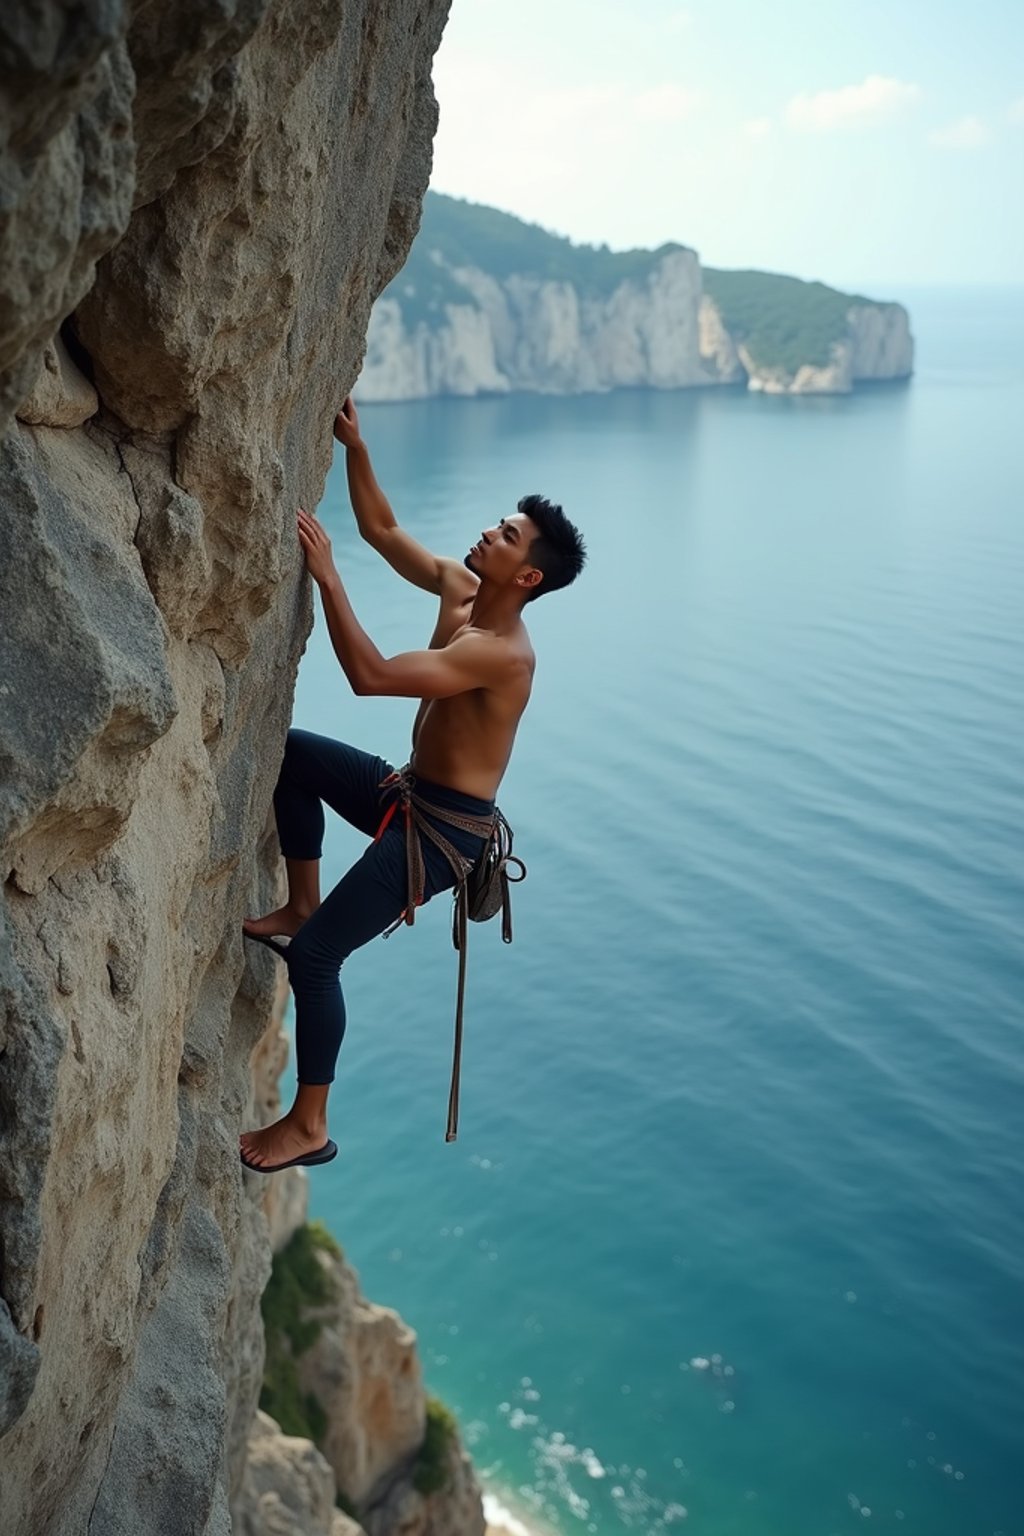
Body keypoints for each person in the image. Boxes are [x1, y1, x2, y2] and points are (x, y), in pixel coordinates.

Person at [239, 397, 586, 1172]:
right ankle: (303, 897)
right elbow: (383, 532)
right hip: (409, 794)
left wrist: (329, 580)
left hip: (442, 836)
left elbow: (370, 676)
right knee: (292, 754)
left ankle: (310, 1124)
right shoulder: (461, 593)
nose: (488, 534)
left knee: (316, 960)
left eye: (505, 536)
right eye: (498, 523)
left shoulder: (503, 653)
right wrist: (356, 449)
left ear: (527, 574)